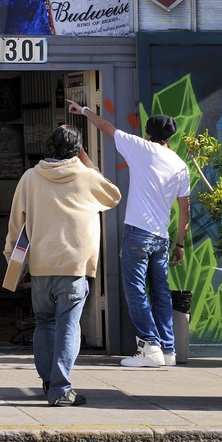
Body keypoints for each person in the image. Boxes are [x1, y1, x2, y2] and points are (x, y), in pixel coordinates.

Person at [4, 125, 121, 407]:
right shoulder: (86, 176)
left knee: (44, 323)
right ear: (78, 150)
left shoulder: (30, 178)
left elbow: (15, 225)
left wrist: (12, 259)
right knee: (68, 326)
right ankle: (60, 388)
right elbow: (113, 195)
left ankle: (48, 381)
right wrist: (88, 161)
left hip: (41, 265)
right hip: (74, 266)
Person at [68, 101, 191, 368]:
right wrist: (179, 243)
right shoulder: (181, 165)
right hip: (162, 237)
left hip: (138, 232)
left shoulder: (141, 148)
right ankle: (168, 350)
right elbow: (185, 210)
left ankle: (149, 346)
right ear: (170, 136)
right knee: (161, 292)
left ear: (148, 133)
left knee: (136, 290)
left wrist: (84, 111)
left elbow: (107, 127)